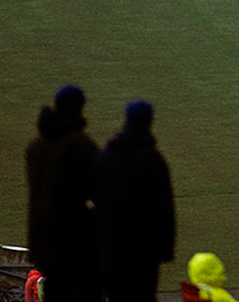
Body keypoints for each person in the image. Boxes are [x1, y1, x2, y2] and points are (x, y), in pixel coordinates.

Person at [95, 100, 176, 302]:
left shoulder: (105, 157)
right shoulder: (152, 159)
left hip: (110, 252)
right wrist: (164, 249)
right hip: (143, 254)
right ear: (150, 122)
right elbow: (163, 209)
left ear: (125, 120)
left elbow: (93, 203)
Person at [26, 85, 100, 302]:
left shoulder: (35, 147)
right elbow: (96, 190)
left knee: (55, 292)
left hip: (43, 241)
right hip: (75, 240)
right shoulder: (80, 144)